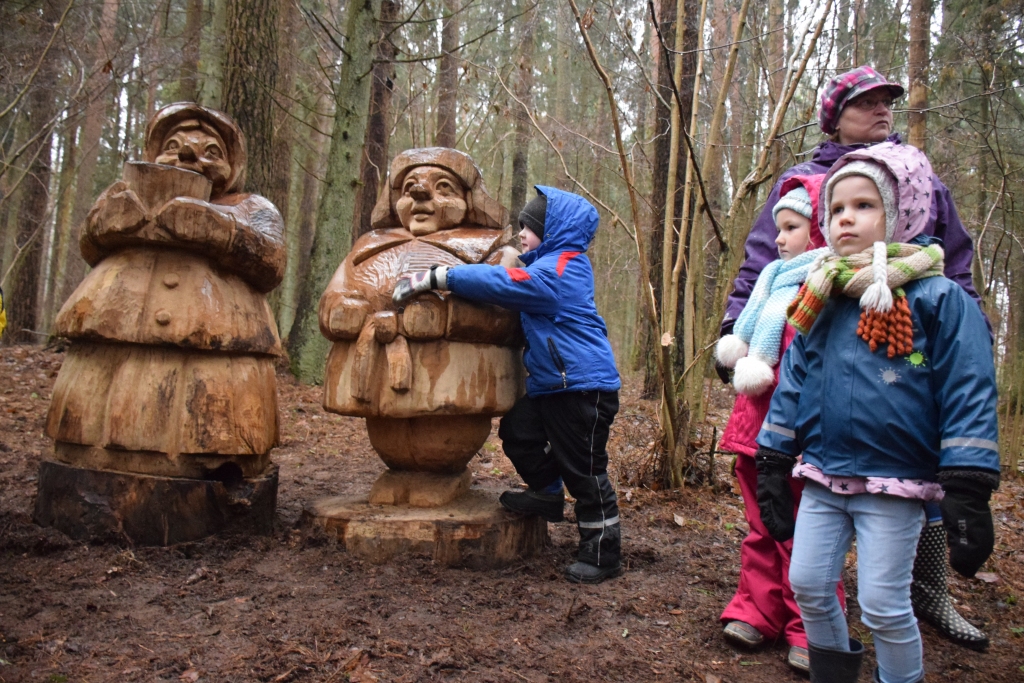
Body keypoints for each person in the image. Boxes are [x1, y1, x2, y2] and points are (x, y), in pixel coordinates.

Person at [720, 65, 989, 650]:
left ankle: (930, 592)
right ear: (834, 114)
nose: (883, 109)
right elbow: (764, 263)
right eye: (867, 101)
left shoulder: (917, 174)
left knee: (919, 475)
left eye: (888, 100)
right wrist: (733, 328)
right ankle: (789, 614)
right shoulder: (800, 179)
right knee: (794, 494)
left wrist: (967, 331)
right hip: (810, 345)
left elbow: (954, 258)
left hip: (900, 345)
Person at [755, 142, 1000, 683]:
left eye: (865, 205)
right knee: (811, 586)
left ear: (904, 211)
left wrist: (969, 480)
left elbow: (968, 386)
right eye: (837, 209)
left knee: (886, 605)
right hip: (823, 473)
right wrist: (773, 455)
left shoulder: (938, 298)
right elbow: (795, 378)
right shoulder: (823, 294)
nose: (846, 217)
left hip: (897, 479)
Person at [393, 186, 623, 584]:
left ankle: (603, 551)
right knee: (518, 433)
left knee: (584, 469)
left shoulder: (564, 267)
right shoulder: (549, 263)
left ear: (553, 231)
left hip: (584, 387)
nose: (521, 233)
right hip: (554, 385)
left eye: (530, 228)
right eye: (520, 226)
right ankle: (547, 492)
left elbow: (510, 283)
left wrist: (442, 276)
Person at [715, 175, 832, 673]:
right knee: (761, 524)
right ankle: (757, 610)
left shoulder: (828, 288)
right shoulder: (770, 282)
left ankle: (812, 628)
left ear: (820, 231)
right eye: (778, 227)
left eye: (791, 227)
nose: (778, 238)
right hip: (755, 428)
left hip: (804, 437)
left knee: (808, 533)